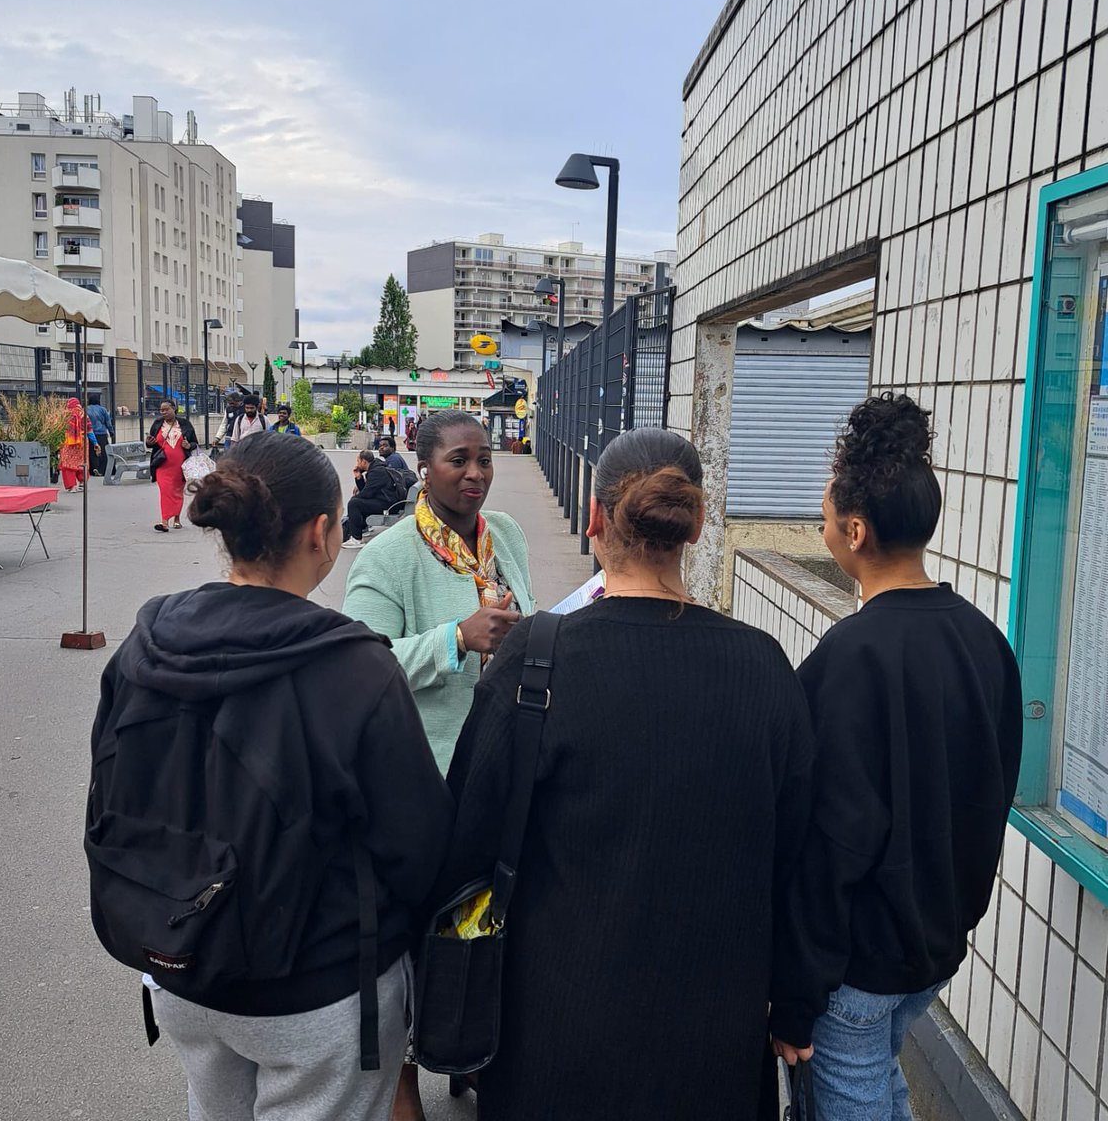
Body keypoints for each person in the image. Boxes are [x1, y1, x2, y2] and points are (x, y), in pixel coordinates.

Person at [434, 428, 812, 1121]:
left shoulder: (535, 661)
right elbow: (797, 865)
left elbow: (465, 846)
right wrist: (794, 1002)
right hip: (713, 1046)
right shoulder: (764, 670)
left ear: (597, 518)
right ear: (697, 524)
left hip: (552, 1035)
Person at [88, 432, 452, 1121]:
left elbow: (112, 789)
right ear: (320, 532)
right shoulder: (355, 670)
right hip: (317, 987)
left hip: (180, 961)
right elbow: (418, 845)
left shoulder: (145, 645)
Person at [769, 393, 1023, 1121]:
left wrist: (795, 998)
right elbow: (991, 792)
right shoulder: (985, 642)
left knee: (854, 1089)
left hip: (856, 969)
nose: (821, 531)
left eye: (823, 519)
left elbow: (831, 842)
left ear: (855, 529)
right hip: (934, 950)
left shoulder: (849, 658)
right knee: (880, 1083)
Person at [345, 410, 533, 1119]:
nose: (477, 473)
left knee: (487, 927)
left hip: (505, 768)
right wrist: (455, 638)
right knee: (416, 939)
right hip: (427, 781)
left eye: (485, 459)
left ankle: (473, 1049)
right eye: (459, 460)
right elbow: (359, 663)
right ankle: (400, 1084)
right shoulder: (390, 556)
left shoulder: (505, 537)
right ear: (423, 468)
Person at [146, 399, 198, 532]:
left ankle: (176, 518)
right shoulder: (157, 424)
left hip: (181, 464)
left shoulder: (185, 424)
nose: (163, 412)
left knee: (177, 491)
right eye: (161, 410)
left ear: (174, 409)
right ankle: (164, 521)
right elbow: (151, 443)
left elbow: (194, 443)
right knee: (165, 491)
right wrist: (149, 442)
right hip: (162, 464)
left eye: (166, 409)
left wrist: (188, 445)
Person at [341, 450, 399, 549]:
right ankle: (363, 528)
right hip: (386, 501)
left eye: (358, 461)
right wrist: (359, 478)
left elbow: (366, 494)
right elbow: (366, 491)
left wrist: (355, 498)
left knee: (354, 503)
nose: (357, 464)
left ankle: (356, 539)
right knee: (357, 501)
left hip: (388, 505)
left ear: (364, 462)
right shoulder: (375, 468)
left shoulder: (377, 472)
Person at [59, 397, 99, 493]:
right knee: (82, 462)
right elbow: (89, 430)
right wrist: (95, 442)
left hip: (68, 442)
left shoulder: (65, 415)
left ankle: (72, 486)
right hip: (82, 442)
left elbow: (59, 430)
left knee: (68, 464)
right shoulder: (83, 414)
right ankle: (82, 482)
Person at [86, 392, 115, 476]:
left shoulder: (86, 409)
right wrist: (111, 431)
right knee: (103, 453)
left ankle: (94, 468)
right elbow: (108, 422)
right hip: (101, 433)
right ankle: (104, 469)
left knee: (92, 452)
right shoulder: (103, 410)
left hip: (90, 434)